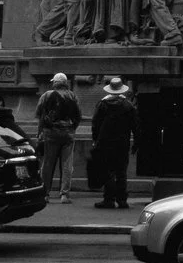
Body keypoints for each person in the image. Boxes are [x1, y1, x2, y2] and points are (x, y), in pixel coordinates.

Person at [90, 77, 137, 210]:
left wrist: (95, 140)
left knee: (107, 171)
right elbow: (135, 126)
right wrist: (136, 143)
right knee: (121, 172)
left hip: (105, 143)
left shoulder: (102, 104)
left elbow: (95, 125)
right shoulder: (128, 106)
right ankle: (122, 200)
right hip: (122, 143)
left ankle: (108, 199)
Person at [35, 71, 82, 203]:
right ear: (65, 83)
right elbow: (78, 116)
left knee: (48, 163)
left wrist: (39, 133)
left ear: (54, 83)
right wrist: (72, 128)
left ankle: (45, 193)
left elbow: (40, 116)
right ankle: (64, 195)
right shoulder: (72, 96)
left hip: (50, 133)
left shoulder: (46, 95)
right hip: (68, 133)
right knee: (67, 164)